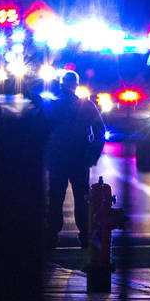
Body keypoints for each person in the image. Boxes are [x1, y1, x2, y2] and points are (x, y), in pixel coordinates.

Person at [44, 70, 106, 250]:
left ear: (62, 84)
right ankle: (85, 237)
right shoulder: (86, 105)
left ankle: (52, 236)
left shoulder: (53, 106)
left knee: (56, 199)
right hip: (79, 159)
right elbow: (101, 132)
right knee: (82, 199)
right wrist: (93, 154)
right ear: (76, 85)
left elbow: (41, 131)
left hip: (59, 159)